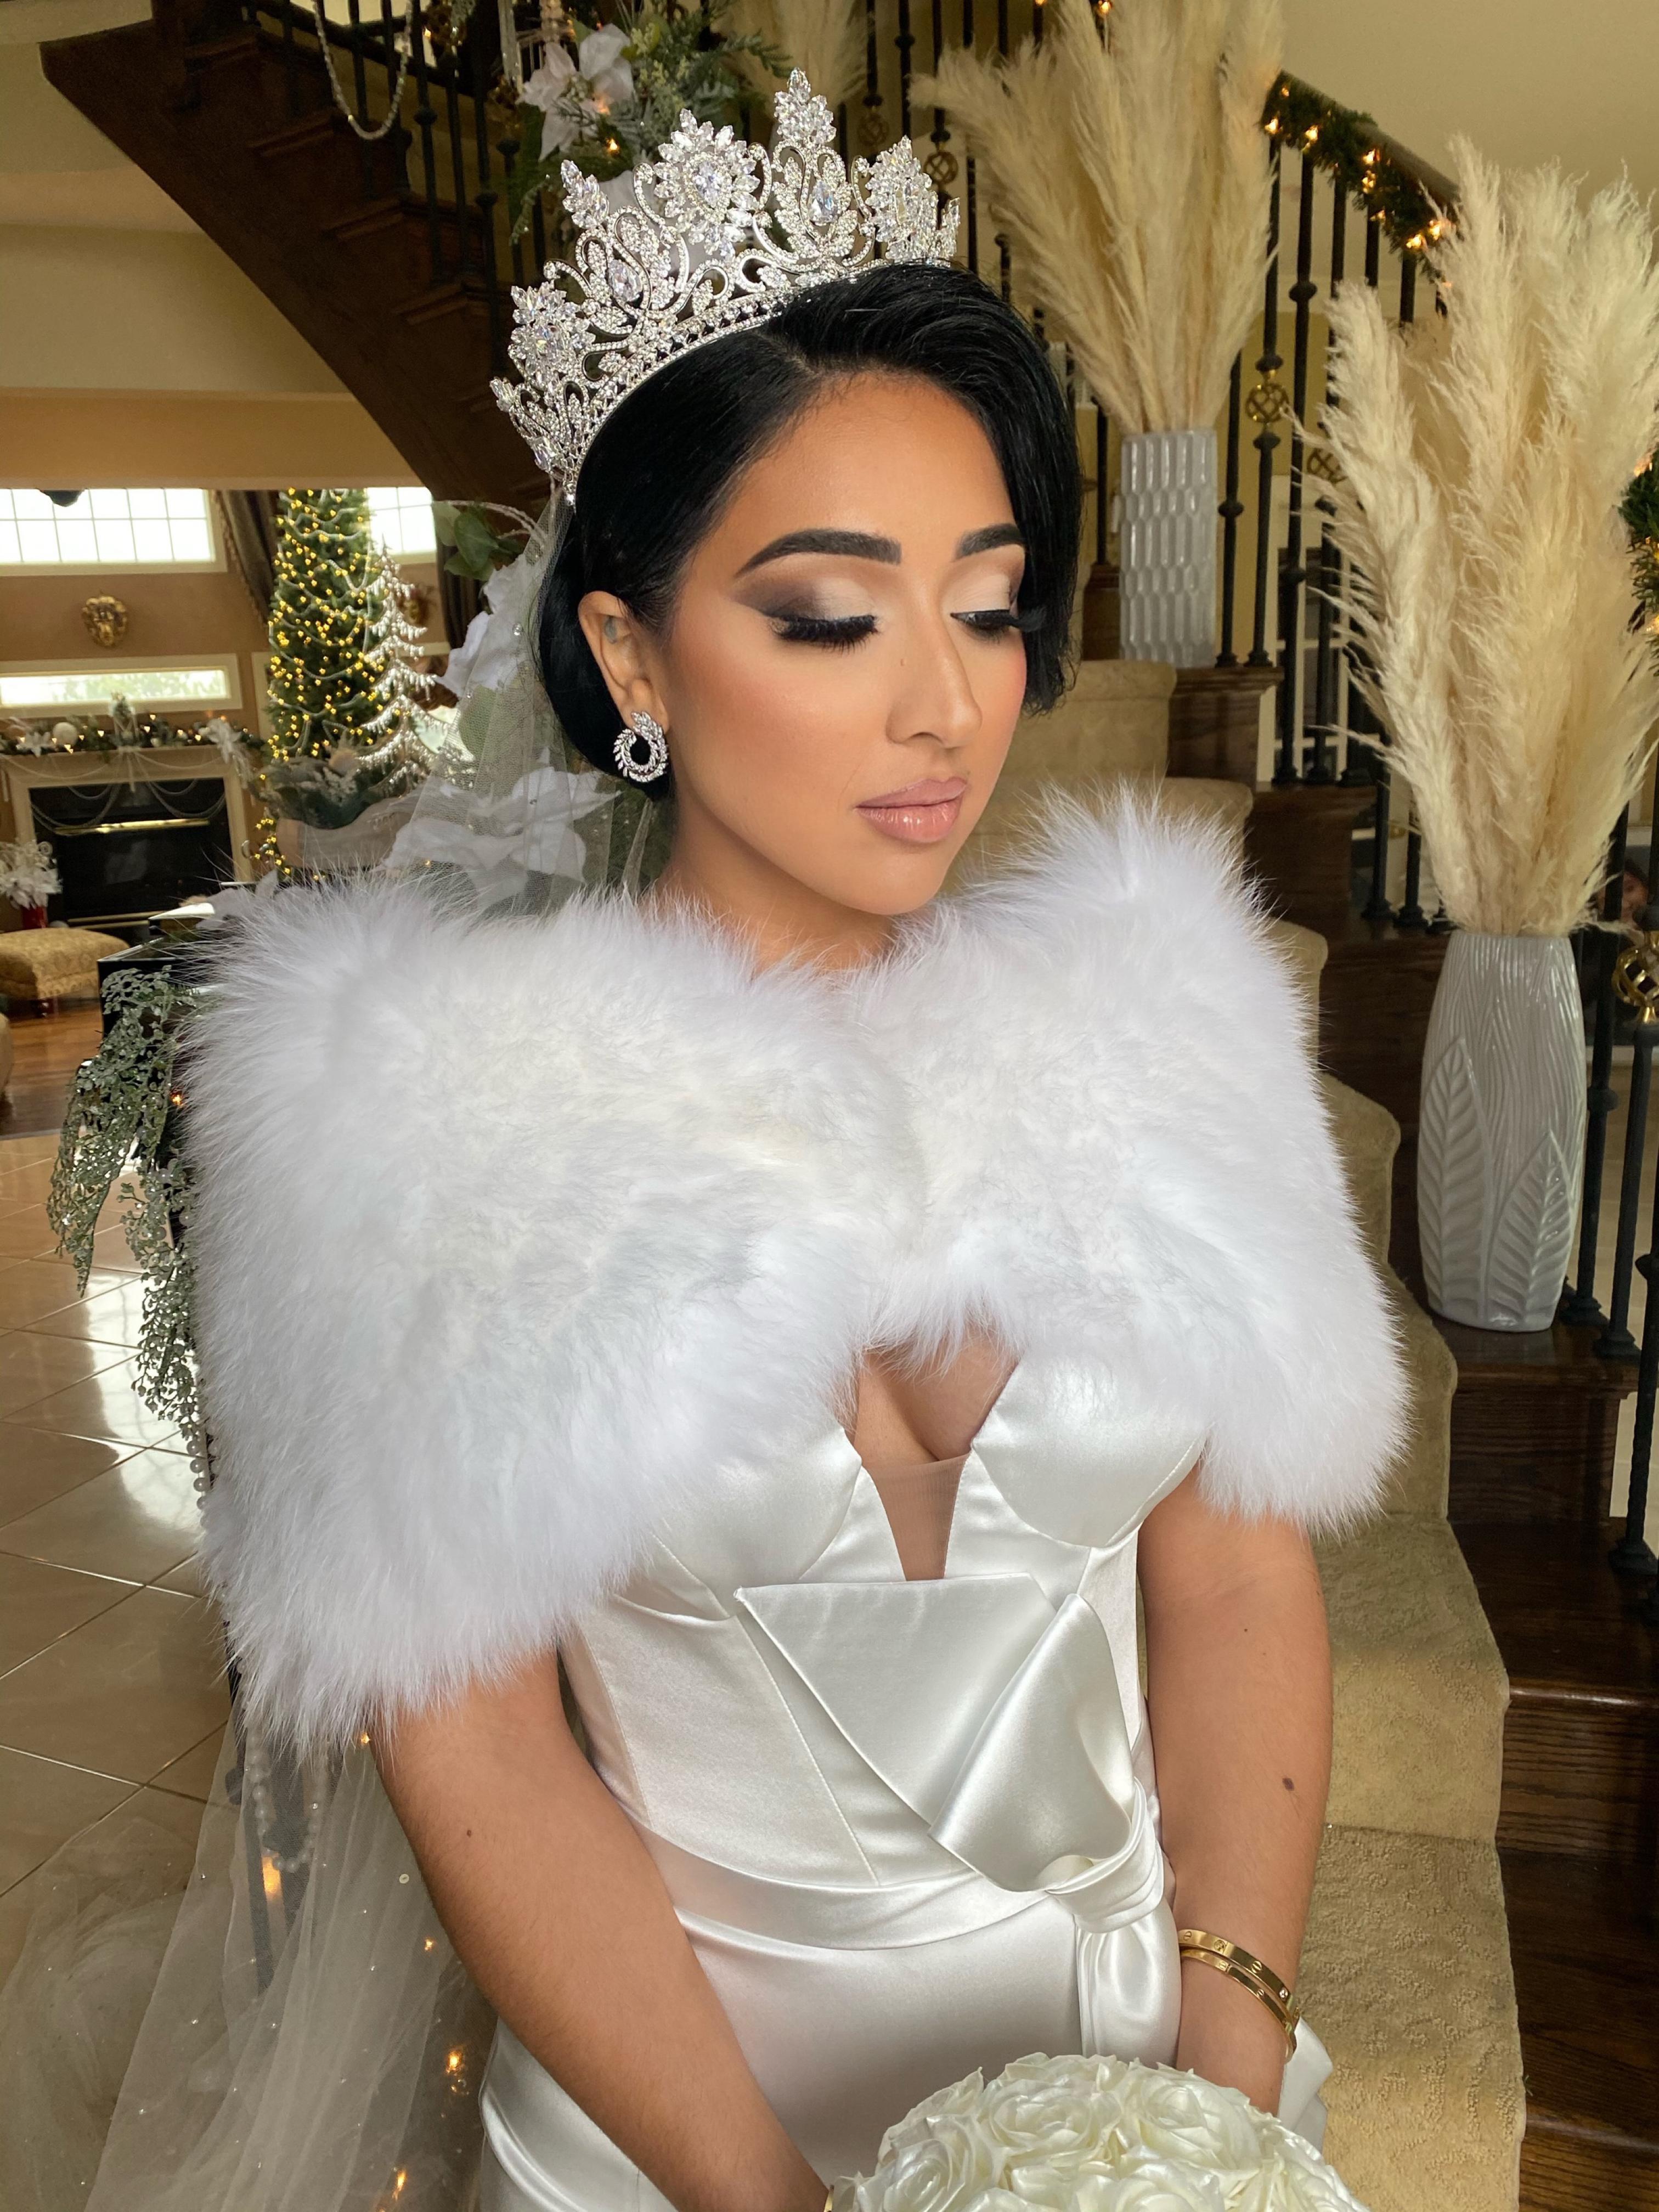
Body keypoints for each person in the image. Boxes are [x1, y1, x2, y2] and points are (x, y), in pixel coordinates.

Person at [2, 76, 1406, 2212]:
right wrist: (768, 2200)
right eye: (832, 617)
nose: (946, 704)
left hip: (1152, 2111)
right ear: (628, 649)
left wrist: (1212, 2085)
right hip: (678, 2143)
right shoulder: (429, 1131)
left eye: (991, 604)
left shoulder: (1166, 1027)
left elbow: (1229, 1575)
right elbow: (474, 1743)